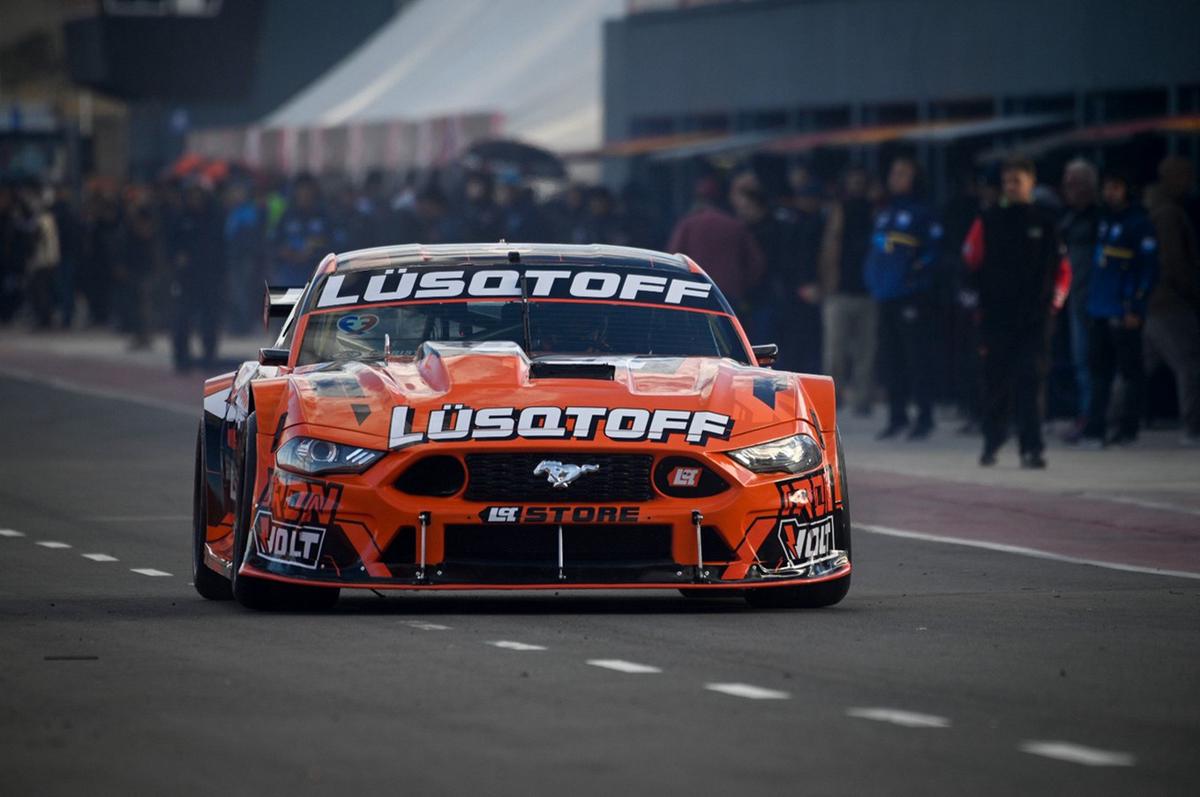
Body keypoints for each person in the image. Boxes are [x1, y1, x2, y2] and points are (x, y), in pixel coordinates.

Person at [962, 157, 1072, 468]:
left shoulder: (1046, 222)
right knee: (995, 380)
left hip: (1035, 318)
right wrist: (974, 305)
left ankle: (1032, 447)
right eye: (1007, 182)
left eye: (1017, 181)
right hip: (996, 316)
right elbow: (969, 262)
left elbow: (1063, 269)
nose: (1011, 187)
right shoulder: (987, 220)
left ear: (1031, 183)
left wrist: (1053, 305)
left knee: (1031, 380)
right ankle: (992, 440)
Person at [863, 156, 943, 439]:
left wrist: (915, 279)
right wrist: (873, 281)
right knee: (891, 357)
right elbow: (876, 252)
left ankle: (924, 417)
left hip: (912, 296)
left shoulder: (924, 213)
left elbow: (934, 252)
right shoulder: (884, 213)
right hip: (885, 295)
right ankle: (897, 417)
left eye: (903, 173)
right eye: (893, 172)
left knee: (917, 357)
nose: (895, 178)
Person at [1079, 170, 1158, 446]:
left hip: (1124, 308)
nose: (1110, 193)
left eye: (1115, 187)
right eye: (1106, 187)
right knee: (1098, 370)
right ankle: (1095, 427)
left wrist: (1136, 305)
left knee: (1130, 372)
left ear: (1127, 189)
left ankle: (1127, 428)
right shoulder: (1104, 221)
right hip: (1100, 307)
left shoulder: (1139, 223)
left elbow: (1148, 269)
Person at [1143, 157, 1200, 445]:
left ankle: (1109, 420)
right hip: (1169, 302)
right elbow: (1175, 262)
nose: (1190, 182)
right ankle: (1194, 427)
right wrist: (1191, 292)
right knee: (1190, 363)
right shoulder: (1168, 214)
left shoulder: (1154, 209)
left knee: (1140, 365)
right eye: (1186, 175)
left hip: (1152, 300)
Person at [819, 166, 876, 412]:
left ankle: (862, 400)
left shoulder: (875, 212)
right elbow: (826, 249)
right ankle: (833, 399)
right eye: (852, 182)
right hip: (839, 290)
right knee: (835, 353)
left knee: (866, 352)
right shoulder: (837, 211)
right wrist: (825, 282)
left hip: (867, 290)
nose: (855, 187)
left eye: (859, 182)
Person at [667, 175, 765, 318]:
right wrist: (742, 286)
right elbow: (755, 264)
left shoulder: (688, 224)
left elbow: (673, 260)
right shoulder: (735, 226)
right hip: (728, 295)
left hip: (694, 292)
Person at [1057, 159, 1102, 441]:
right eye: (1067, 183)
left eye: (1075, 183)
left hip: (1096, 299)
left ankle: (1092, 417)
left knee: (1091, 363)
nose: (1070, 188)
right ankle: (1085, 415)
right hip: (1073, 298)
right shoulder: (1069, 217)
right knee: (1079, 361)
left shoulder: (1099, 218)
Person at [167, 180, 225, 371]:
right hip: (186, 277)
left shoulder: (214, 217)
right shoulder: (180, 218)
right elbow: (170, 245)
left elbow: (222, 246)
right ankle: (181, 358)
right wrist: (176, 259)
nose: (195, 200)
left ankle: (209, 357)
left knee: (210, 320)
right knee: (182, 318)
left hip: (209, 276)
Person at [271, 173, 334, 286]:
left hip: (317, 278)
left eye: (308, 191)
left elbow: (332, 245)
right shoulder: (287, 217)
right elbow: (274, 244)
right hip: (288, 277)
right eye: (301, 191)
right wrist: (287, 253)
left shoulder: (324, 217)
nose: (305, 195)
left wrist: (312, 251)